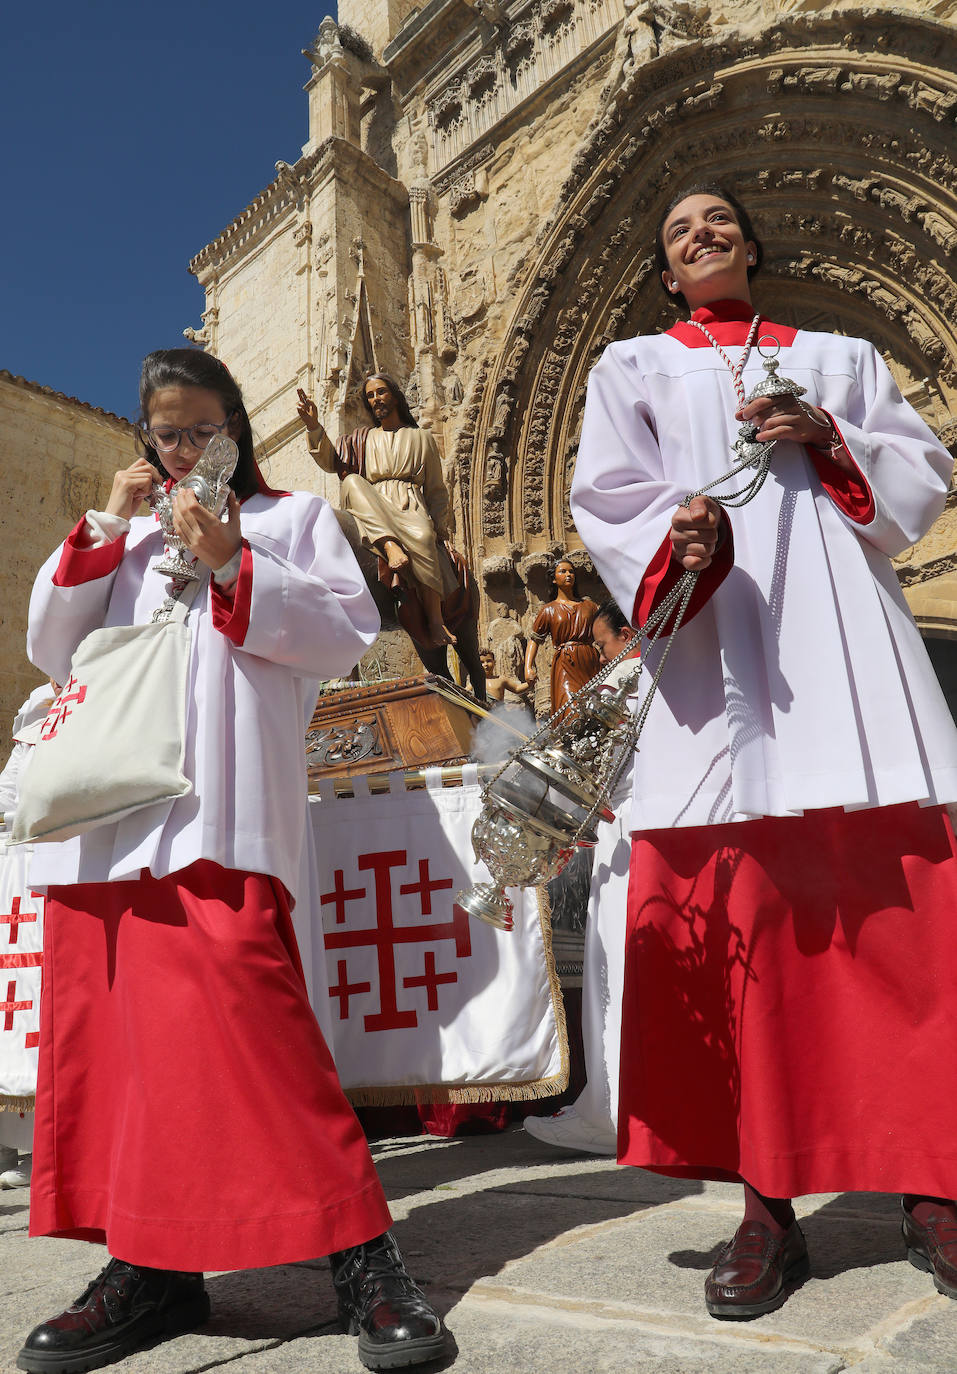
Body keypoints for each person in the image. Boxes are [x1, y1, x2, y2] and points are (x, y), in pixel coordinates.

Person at [570, 185, 957, 1320]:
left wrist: (828, 437)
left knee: (894, 927)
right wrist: (675, 536)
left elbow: (920, 479)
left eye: (720, 219)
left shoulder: (841, 355)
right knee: (741, 934)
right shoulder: (631, 368)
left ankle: (931, 1183)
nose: (703, 232)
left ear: (752, 243)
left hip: (847, 653)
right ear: (664, 268)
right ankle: (766, 1203)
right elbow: (609, 497)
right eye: (680, 227)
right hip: (717, 657)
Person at [18, 349, 447, 1373]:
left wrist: (227, 560)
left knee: (255, 1032)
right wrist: (105, 528)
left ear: (238, 430)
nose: (186, 450)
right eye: (167, 434)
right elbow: (50, 643)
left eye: (206, 430)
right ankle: (149, 1270)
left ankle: (361, 1255)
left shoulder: (288, 521)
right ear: (146, 439)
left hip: (215, 809)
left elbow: (342, 634)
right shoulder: (120, 541)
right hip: (108, 820)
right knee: (118, 1050)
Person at [525, 600, 636, 1156]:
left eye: (603, 643)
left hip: (628, 839)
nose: (599, 655)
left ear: (628, 633)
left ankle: (615, 1106)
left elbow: (596, 770)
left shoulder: (626, 683)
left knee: (612, 970)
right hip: (645, 831)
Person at [297, 376, 458, 650]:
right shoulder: (363, 438)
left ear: (394, 395)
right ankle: (389, 545)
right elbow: (331, 462)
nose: (376, 399)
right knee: (351, 482)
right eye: (370, 395)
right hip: (371, 503)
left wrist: (441, 529)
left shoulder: (422, 438)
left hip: (409, 502)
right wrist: (313, 426)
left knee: (423, 535)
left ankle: (434, 618)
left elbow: (436, 490)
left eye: (381, 392)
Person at [0, 682, 57, 1191]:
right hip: (18, 881)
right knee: (19, 1011)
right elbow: (7, 797)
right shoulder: (32, 733)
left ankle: (53, 1146)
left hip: (59, 873)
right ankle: (23, 1146)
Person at [524, 558, 600, 712]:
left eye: (571, 571)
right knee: (570, 708)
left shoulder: (589, 606)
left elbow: (604, 632)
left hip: (590, 659)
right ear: (553, 579)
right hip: (565, 662)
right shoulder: (548, 610)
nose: (568, 575)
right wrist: (528, 667)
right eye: (563, 571)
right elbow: (535, 639)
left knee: (594, 706)